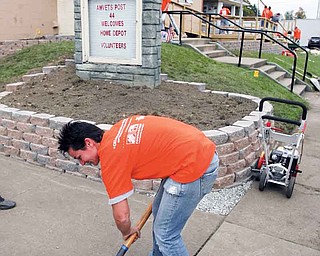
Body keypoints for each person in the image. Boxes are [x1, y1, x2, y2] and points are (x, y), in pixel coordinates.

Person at [58, 115, 219, 255]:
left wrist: (127, 231)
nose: (82, 162)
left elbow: (122, 217)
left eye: (79, 156)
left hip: (195, 165)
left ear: (89, 142)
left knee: (166, 235)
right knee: (159, 214)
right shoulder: (116, 130)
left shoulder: (111, 157)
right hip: (193, 151)